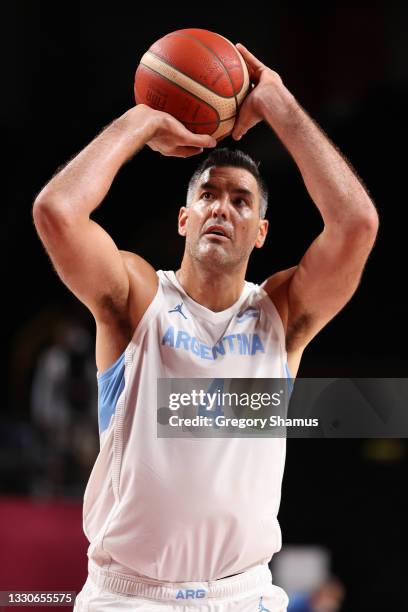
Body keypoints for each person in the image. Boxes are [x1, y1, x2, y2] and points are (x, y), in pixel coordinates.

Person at [32, 43, 378, 612]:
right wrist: (144, 119)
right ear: (184, 219)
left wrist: (280, 105)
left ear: (260, 231)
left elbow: (357, 225)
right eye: (208, 195)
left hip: (243, 593)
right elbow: (57, 212)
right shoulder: (137, 298)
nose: (222, 207)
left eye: (241, 201)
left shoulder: (281, 314)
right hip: (129, 596)